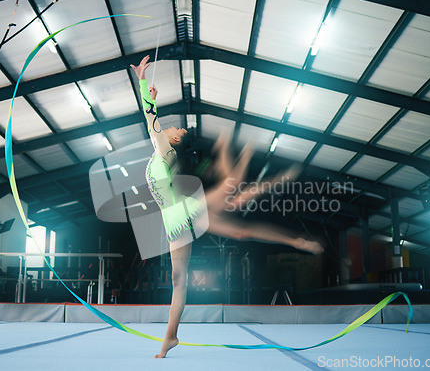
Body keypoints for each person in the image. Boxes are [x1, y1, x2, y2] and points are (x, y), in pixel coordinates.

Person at [131, 56, 322, 358]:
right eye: (170, 127)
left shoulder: (164, 148)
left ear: (175, 139)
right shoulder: (161, 150)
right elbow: (151, 116)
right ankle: (170, 337)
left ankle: (245, 154)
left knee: (233, 193)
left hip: (185, 209)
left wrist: (143, 83)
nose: (170, 128)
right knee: (178, 281)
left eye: (174, 129)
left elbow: (149, 116)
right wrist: (149, 95)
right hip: (174, 222)